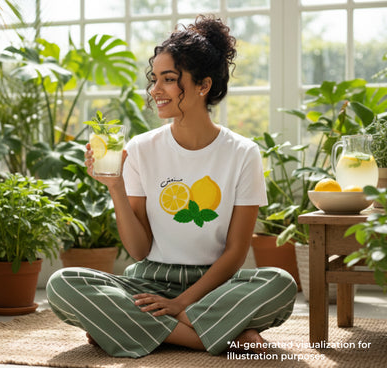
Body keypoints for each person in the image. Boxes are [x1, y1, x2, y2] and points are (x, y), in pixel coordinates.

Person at [46, 14, 297, 358]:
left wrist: (180, 303)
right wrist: (115, 187)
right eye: (154, 80)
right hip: (148, 281)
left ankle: (135, 329)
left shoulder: (243, 153)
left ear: (202, 85)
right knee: (63, 284)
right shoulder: (139, 149)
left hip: (215, 286)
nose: (155, 90)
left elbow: (237, 252)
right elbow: (138, 250)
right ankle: (223, 336)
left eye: (168, 80)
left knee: (280, 283)